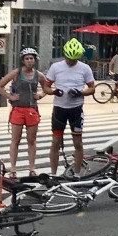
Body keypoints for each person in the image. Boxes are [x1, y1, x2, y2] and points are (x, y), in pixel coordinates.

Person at [44, 38, 96, 175]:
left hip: (76, 110)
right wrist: (54, 91)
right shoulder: (56, 67)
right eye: (68, 59)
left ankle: (77, 173)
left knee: (77, 143)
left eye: (73, 60)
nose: (70, 62)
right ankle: (53, 173)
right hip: (59, 109)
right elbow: (46, 87)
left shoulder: (85, 68)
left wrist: (80, 92)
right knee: (55, 142)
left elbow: (92, 89)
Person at [0, 48, 49, 177]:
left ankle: (32, 168)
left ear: (35, 60)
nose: (29, 60)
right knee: (15, 140)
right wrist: (10, 96)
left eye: (31, 58)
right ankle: (13, 169)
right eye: (27, 58)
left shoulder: (39, 75)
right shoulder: (16, 73)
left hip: (32, 109)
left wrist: (41, 95)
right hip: (18, 109)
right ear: (23, 60)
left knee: (31, 140)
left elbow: (47, 88)